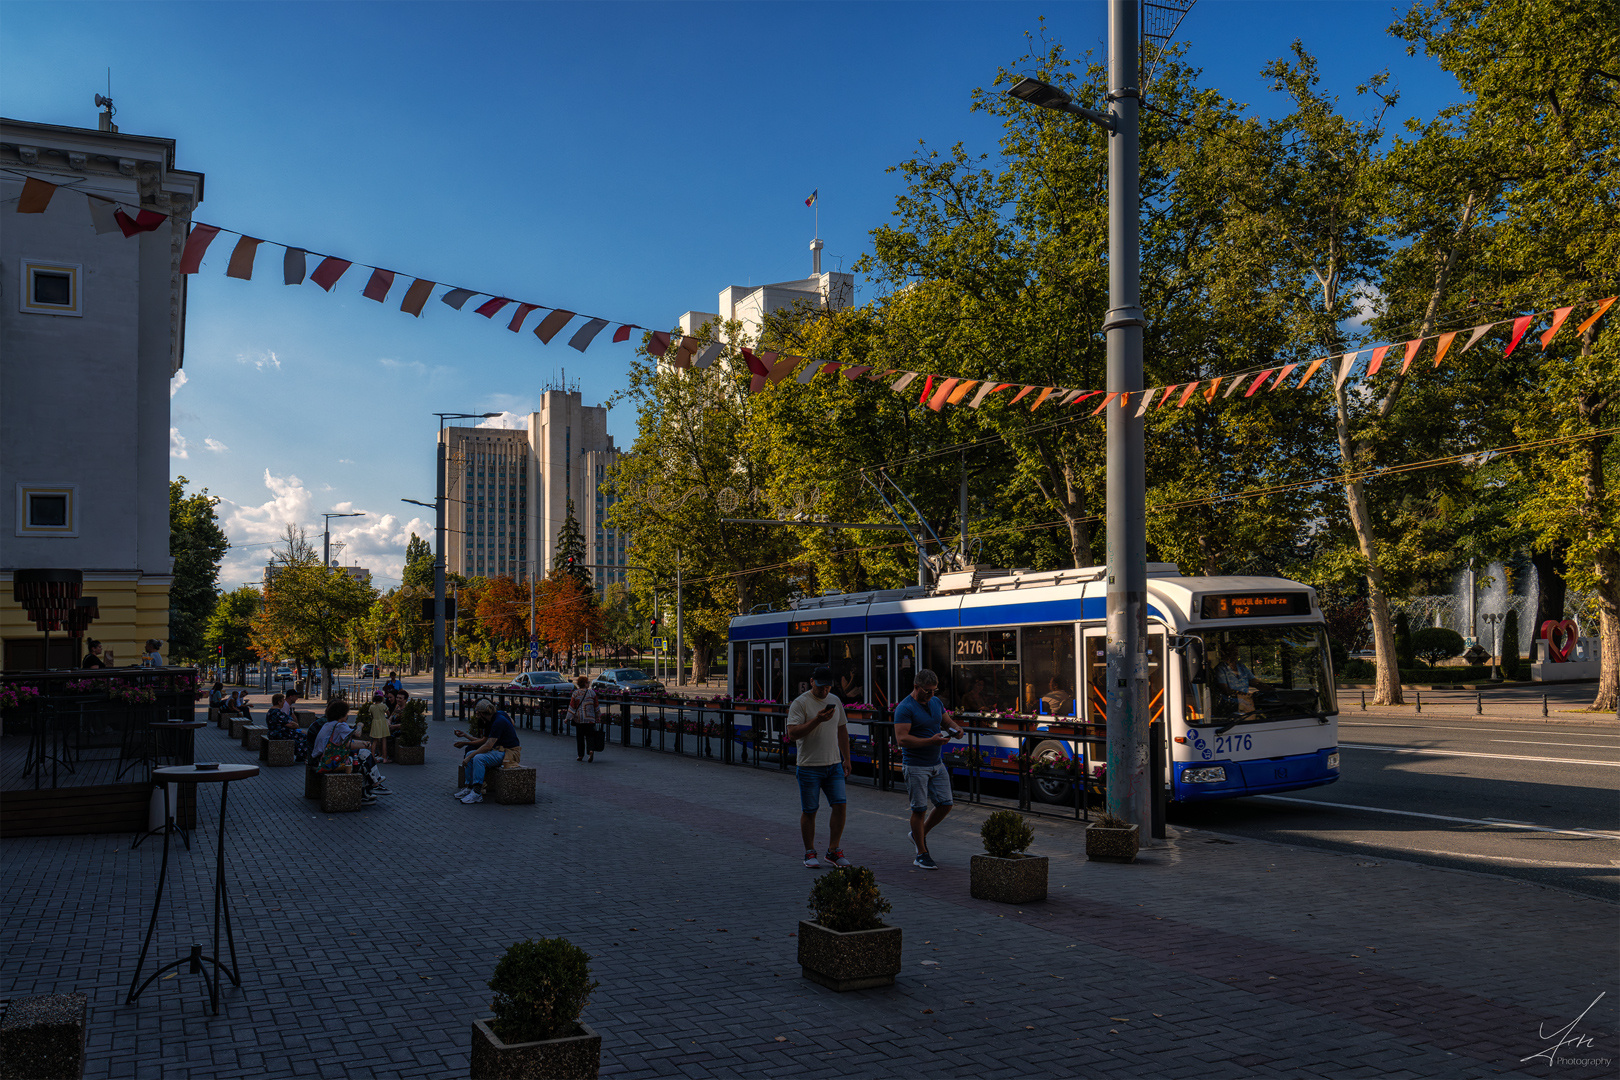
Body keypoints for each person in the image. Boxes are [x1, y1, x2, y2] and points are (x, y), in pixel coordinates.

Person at [893, 668, 963, 870]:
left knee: (946, 803)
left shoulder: (936, 702)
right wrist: (929, 741)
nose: (931, 694)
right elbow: (902, 739)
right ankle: (921, 853)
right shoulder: (905, 708)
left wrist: (956, 730)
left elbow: (947, 721)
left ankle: (918, 834)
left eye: (935, 690)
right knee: (919, 808)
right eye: (927, 691)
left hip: (936, 763)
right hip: (915, 765)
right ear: (916, 687)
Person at [784, 664, 852, 869]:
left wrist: (846, 759)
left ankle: (833, 850)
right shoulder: (801, 703)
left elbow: (842, 731)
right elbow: (792, 734)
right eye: (820, 687)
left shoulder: (835, 701)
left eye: (828, 687)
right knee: (810, 810)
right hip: (809, 766)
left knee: (840, 805)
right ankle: (809, 852)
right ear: (811, 682)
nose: (824, 691)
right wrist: (817, 720)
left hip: (833, 765)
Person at [308, 700, 385, 804]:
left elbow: (346, 742)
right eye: (346, 714)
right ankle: (375, 783)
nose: (347, 716)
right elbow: (355, 735)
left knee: (359, 757)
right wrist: (360, 726)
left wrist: (363, 743)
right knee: (362, 756)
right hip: (327, 761)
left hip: (320, 759)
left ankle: (366, 791)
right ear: (341, 715)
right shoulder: (339, 725)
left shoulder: (329, 724)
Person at [451, 699, 518, 804]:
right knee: (470, 753)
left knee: (478, 758)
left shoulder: (498, 721)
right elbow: (485, 741)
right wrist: (465, 738)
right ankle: (470, 787)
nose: (477, 716)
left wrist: (469, 757)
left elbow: (487, 746)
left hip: (508, 753)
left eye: (477, 714)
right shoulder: (493, 718)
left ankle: (477, 793)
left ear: (482, 713)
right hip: (498, 750)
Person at [1214, 641, 1267, 716]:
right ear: (1224, 653)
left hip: (1245, 704)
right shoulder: (1221, 668)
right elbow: (1225, 690)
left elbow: (1254, 682)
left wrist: (1268, 689)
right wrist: (1246, 695)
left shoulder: (1241, 666)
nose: (1236, 654)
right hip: (1229, 706)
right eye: (1232, 651)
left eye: (1236, 651)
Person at [264, 692, 310, 762]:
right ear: (279, 702)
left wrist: (291, 725)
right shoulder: (277, 712)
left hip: (274, 733)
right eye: (283, 701)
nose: (284, 702)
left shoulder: (271, 711)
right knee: (303, 736)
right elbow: (292, 723)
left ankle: (301, 755)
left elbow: (287, 723)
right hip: (280, 734)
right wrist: (295, 725)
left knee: (300, 734)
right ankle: (301, 756)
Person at [564, 675, 600, 763]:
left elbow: (572, 707)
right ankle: (590, 750)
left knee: (580, 737)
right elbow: (596, 707)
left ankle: (580, 755)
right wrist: (598, 716)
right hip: (590, 719)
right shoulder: (592, 693)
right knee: (590, 736)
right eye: (588, 682)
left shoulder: (575, 693)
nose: (589, 684)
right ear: (584, 683)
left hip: (579, 719)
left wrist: (567, 718)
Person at [364, 691, 393, 764]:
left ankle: (373, 757)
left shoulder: (371, 707)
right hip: (383, 723)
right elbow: (388, 713)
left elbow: (371, 714)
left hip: (375, 723)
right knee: (384, 740)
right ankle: (385, 758)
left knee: (374, 741)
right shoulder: (383, 706)